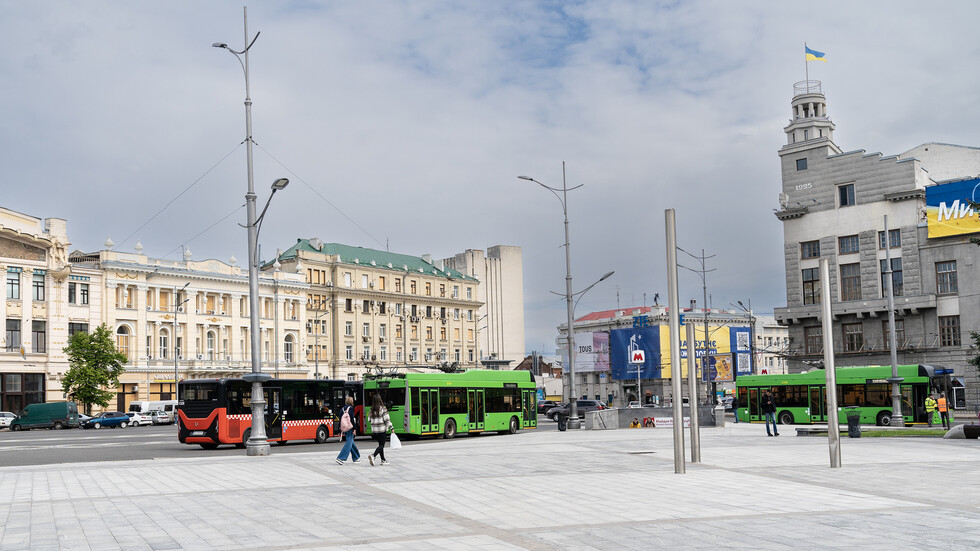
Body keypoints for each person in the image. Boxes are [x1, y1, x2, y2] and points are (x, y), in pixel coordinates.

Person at [368, 394, 393, 466]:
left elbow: (369, 420)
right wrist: (391, 427)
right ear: (380, 400)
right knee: (382, 445)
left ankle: (383, 460)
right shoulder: (383, 408)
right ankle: (373, 455)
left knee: (380, 444)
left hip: (374, 430)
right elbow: (387, 420)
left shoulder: (371, 409)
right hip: (381, 429)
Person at [335, 396, 360, 465]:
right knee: (349, 443)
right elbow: (352, 420)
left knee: (351, 442)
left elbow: (340, 420)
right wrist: (354, 429)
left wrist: (339, 430)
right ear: (351, 402)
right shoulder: (351, 409)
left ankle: (356, 457)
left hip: (344, 428)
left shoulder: (342, 409)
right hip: (350, 428)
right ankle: (341, 458)